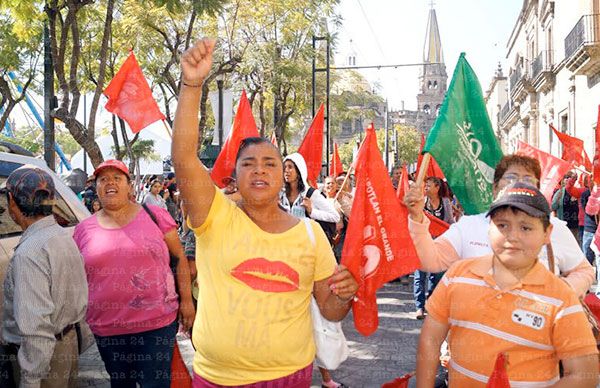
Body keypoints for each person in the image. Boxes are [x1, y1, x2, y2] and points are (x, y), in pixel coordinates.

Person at [172, 38, 358, 387]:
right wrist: (192, 85)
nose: (260, 170)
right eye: (249, 164)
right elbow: (183, 158)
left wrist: (345, 295)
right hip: (217, 378)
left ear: (284, 173)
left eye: (270, 163)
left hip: (291, 376)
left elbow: (330, 310)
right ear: (236, 175)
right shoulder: (214, 217)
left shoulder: (310, 234)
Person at [416, 182, 599, 387]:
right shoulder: (457, 276)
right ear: (489, 227)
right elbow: (430, 340)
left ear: (547, 234)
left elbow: (584, 373)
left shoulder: (561, 297)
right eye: (502, 225)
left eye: (525, 227)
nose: (512, 236)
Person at [73, 159, 194, 388]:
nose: (110, 183)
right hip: (108, 329)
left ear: (130, 186)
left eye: (117, 178)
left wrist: (187, 301)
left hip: (156, 325)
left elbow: (179, 258)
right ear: (95, 187)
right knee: (121, 384)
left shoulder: (154, 215)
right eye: (103, 179)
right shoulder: (83, 230)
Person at [404, 154, 594, 297]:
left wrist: (562, 293)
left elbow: (584, 271)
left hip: (539, 343)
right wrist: (417, 217)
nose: (519, 183)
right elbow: (430, 261)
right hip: (477, 342)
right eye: (511, 178)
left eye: (528, 179)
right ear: (495, 188)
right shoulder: (469, 226)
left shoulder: (554, 228)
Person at [1, 166, 88, 388]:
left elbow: (36, 329)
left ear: (12, 200)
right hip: (67, 345)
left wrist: (30, 380)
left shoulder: (30, 253)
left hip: (44, 363)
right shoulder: (62, 235)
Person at [413, 177, 455, 319]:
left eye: (428, 185)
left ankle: (430, 304)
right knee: (420, 275)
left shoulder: (446, 202)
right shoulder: (421, 201)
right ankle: (419, 307)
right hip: (421, 242)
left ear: (437, 188)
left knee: (436, 275)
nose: (425, 188)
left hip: (439, 244)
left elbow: (449, 221)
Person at [552, 171, 581, 243]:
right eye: (567, 178)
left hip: (575, 224)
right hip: (563, 223)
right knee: (564, 243)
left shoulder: (576, 191)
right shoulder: (559, 192)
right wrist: (558, 198)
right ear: (563, 179)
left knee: (574, 244)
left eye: (572, 178)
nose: (569, 180)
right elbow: (553, 206)